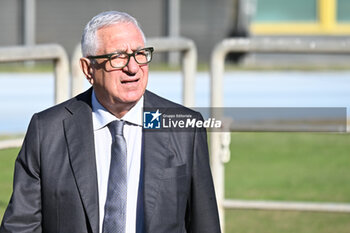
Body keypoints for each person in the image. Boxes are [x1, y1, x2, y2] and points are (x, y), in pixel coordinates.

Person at [0, 11, 221, 233]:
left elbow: (205, 224)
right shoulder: (47, 131)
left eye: (140, 54)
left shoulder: (184, 128)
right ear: (88, 69)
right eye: (118, 57)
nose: (133, 68)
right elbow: (20, 226)